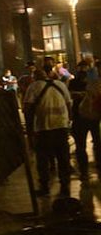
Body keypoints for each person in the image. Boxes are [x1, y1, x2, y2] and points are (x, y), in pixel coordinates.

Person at [24, 68, 73, 202]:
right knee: (63, 158)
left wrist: (29, 130)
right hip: (61, 126)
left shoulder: (33, 87)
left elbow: (27, 108)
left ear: (34, 77)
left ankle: (45, 187)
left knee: (43, 159)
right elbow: (69, 103)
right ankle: (65, 186)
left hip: (44, 127)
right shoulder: (60, 85)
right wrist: (68, 120)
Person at [69, 60, 99, 190]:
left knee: (82, 145)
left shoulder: (77, 82)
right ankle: (90, 169)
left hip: (82, 117)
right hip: (92, 117)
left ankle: (85, 172)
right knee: (94, 143)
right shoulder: (94, 82)